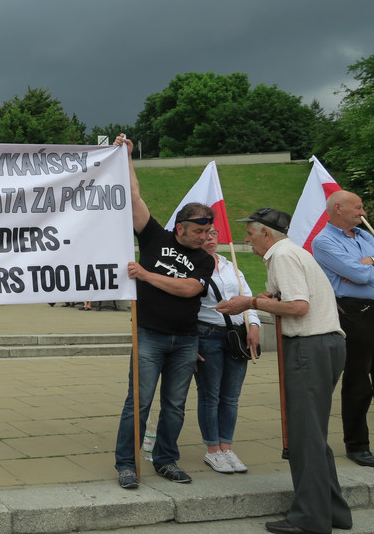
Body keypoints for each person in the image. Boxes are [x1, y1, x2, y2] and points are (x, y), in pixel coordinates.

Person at [217, 207, 351, 534]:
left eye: (250, 234)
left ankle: (310, 518)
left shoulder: (283, 256)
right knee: (312, 434)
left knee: (305, 435)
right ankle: (332, 510)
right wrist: (268, 300)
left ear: (266, 234)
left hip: (311, 346)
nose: (246, 240)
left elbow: (298, 307)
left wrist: (250, 303)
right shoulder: (291, 253)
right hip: (322, 344)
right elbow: (294, 301)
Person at [112, 134, 215, 490]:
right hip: (149, 335)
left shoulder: (205, 260)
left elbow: (189, 288)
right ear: (181, 227)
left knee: (175, 405)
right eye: (200, 231)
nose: (206, 237)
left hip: (186, 340)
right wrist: (125, 156)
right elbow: (134, 196)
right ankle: (126, 463)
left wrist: (146, 275)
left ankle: (166, 460)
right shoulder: (155, 236)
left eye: (208, 231)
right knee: (138, 403)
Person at [310, 191, 374, 468]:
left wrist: (363, 265)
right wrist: (362, 268)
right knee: (358, 381)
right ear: (338, 208)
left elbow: (359, 272)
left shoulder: (364, 237)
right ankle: (357, 444)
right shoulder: (323, 241)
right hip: (354, 314)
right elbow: (358, 276)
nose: (363, 212)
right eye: (358, 207)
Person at [193, 228, 260, 474]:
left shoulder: (230, 264)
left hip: (236, 336)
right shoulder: (190, 266)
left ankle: (227, 446)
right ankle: (213, 450)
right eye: (205, 233)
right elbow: (184, 306)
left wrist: (253, 324)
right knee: (210, 395)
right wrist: (190, 343)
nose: (210, 237)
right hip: (206, 336)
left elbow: (247, 296)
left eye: (213, 233)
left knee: (231, 396)